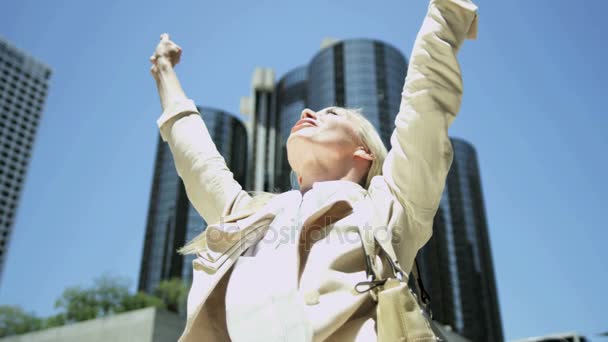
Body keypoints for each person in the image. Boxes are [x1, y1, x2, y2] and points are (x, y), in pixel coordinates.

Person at [149, 0, 478, 340]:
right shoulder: (246, 218)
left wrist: (446, 12)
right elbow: (198, 160)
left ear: (363, 150)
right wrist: (164, 72)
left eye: (332, 114)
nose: (307, 111)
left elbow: (422, 105)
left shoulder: (391, 204)